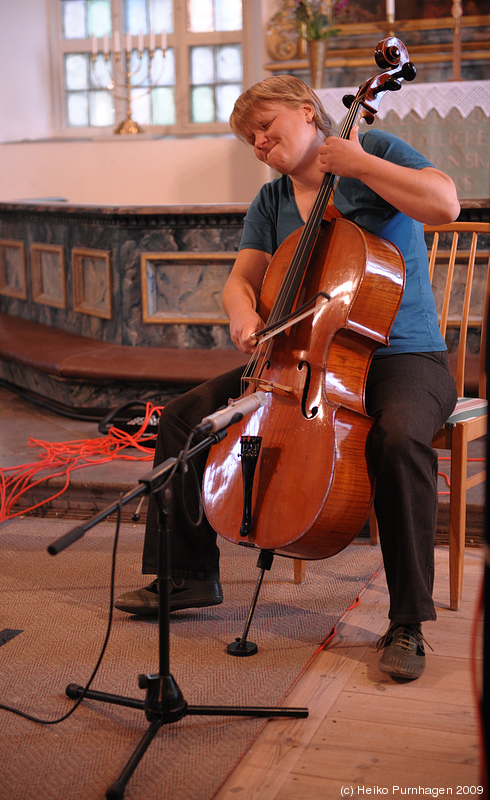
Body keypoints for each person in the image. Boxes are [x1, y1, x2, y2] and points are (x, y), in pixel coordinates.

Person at [115, 75, 460, 681]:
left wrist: (359, 164)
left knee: (400, 438)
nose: (259, 142)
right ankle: (190, 575)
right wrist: (243, 312)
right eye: (250, 138)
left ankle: (407, 622)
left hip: (405, 357)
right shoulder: (272, 202)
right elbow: (239, 281)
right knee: (183, 416)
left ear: (308, 114)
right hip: (300, 358)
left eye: (267, 128)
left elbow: (444, 203)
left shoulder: (373, 152)